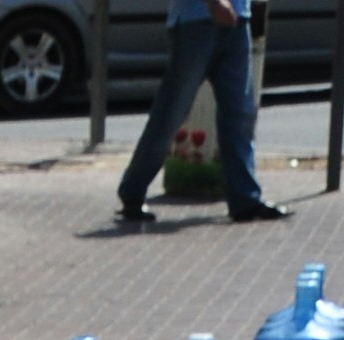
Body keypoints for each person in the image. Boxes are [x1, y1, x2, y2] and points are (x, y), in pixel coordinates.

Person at [115, 0, 287, 227]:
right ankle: (132, 191)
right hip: (197, 19)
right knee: (172, 112)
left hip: (237, 17)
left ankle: (245, 199)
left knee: (239, 113)